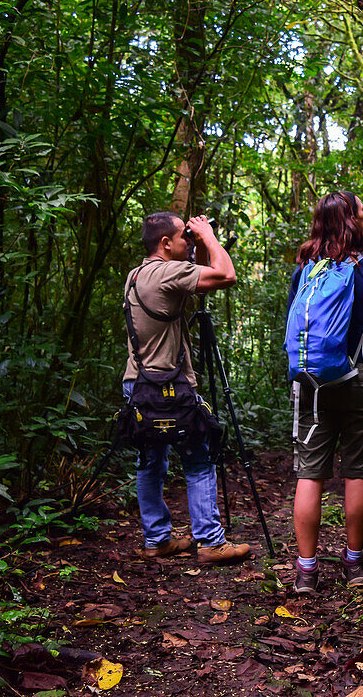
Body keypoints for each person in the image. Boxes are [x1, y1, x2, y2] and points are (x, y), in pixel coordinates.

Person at [287, 191, 363, 594]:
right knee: (358, 471)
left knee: (310, 473)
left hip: (310, 384)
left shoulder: (305, 267)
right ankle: (353, 565)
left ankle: (305, 571)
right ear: (352, 218)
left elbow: (295, 330)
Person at [123, 212, 250, 566]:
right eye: (184, 237)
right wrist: (208, 236)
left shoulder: (137, 275)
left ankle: (157, 540)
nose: (188, 242)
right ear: (165, 243)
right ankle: (210, 542)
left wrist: (192, 246)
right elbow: (227, 274)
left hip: (138, 384)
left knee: (150, 463)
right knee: (198, 460)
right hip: (171, 389)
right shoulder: (167, 273)